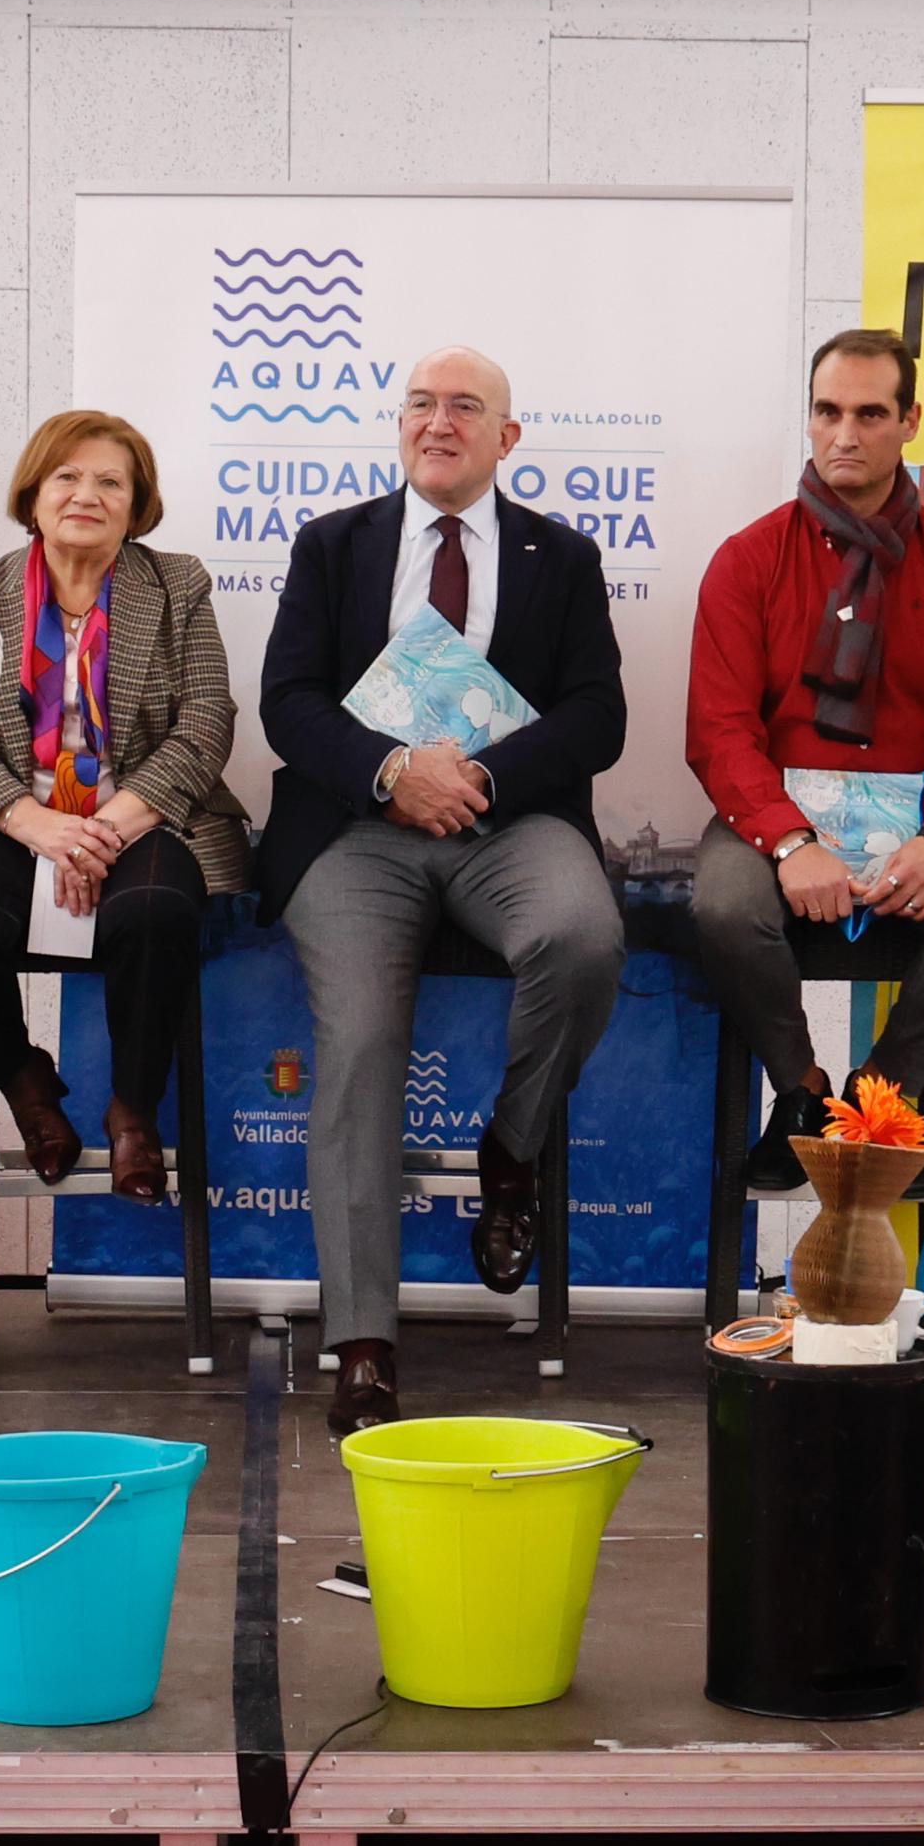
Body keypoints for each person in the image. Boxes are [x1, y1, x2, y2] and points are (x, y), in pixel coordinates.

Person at [260, 347, 628, 1433]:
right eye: (420, 403)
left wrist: (480, 778)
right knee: (363, 1041)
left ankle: (511, 1148)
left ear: (505, 438)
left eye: (465, 406)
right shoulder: (332, 545)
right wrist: (390, 772)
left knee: (583, 937)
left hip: (507, 822)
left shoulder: (563, 556)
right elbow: (287, 701)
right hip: (357, 832)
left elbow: (597, 715)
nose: (438, 421)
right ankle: (363, 1346)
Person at [685, 329, 924, 1191]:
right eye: (828, 412)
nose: (845, 434)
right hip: (781, 816)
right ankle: (801, 1089)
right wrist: (788, 841)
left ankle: (879, 1096)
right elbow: (720, 731)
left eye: (871, 414)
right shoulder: (748, 559)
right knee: (723, 905)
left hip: (919, 818)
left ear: (910, 421)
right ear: (808, 418)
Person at [0, 409, 247, 1206]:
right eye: (67, 476)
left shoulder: (177, 585)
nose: (86, 495)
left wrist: (97, 831)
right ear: (33, 496)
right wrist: (34, 823)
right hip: (13, 819)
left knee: (158, 913)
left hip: (143, 816)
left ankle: (133, 1109)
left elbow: (208, 720)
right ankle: (25, 1084)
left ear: (136, 507)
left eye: (111, 482)